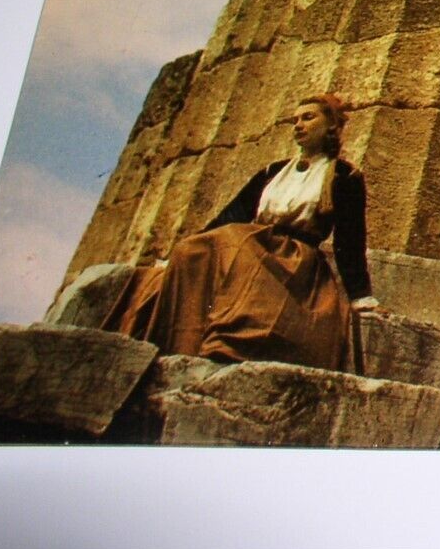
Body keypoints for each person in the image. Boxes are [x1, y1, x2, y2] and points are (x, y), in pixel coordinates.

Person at [109, 93, 378, 371]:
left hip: (294, 259)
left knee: (243, 254)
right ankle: (182, 341)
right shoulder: (273, 171)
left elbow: (349, 240)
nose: (298, 125)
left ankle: (225, 344)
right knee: (191, 250)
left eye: (308, 117)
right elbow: (232, 215)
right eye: (295, 120)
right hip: (253, 241)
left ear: (331, 124)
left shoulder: (344, 176)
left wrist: (360, 295)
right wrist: (189, 247)